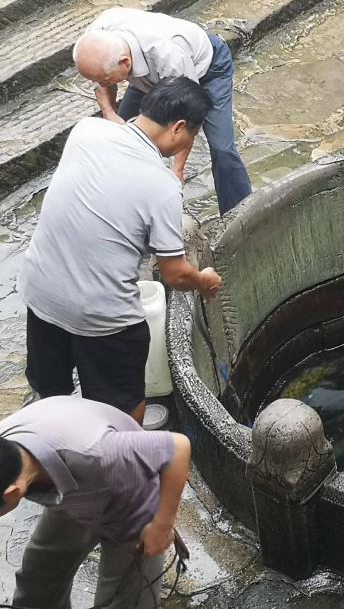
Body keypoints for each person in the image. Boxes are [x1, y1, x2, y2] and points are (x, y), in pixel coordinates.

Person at [19, 78, 222, 423]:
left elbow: (120, 144)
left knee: (50, 390)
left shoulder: (86, 131)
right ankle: (120, 458)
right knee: (122, 406)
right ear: (179, 128)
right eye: (192, 137)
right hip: (102, 316)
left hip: (40, 293)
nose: (189, 143)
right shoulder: (162, 186)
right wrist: (204, 281)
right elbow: (174, 274)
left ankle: (54, 442)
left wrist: (109, 109)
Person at [0, 395, 191, 609]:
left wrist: (162, 525)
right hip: (69, 494)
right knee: (37, 587)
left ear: (14, 493)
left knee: (128, 601)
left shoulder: (100, 452)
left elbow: (178, 448)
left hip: (129, 501)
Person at [73, 6, 251, 215]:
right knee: (121, 140)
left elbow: (189, 117)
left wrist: (178, 169)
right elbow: (101, 81)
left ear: (125, 62)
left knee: (222, 148)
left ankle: (239, 215)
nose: (103, 83)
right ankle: (126, 205)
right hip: (148, 75)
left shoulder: (170, 56)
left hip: (207, 70)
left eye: (106, 79)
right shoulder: (98, 38)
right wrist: (110, 114)